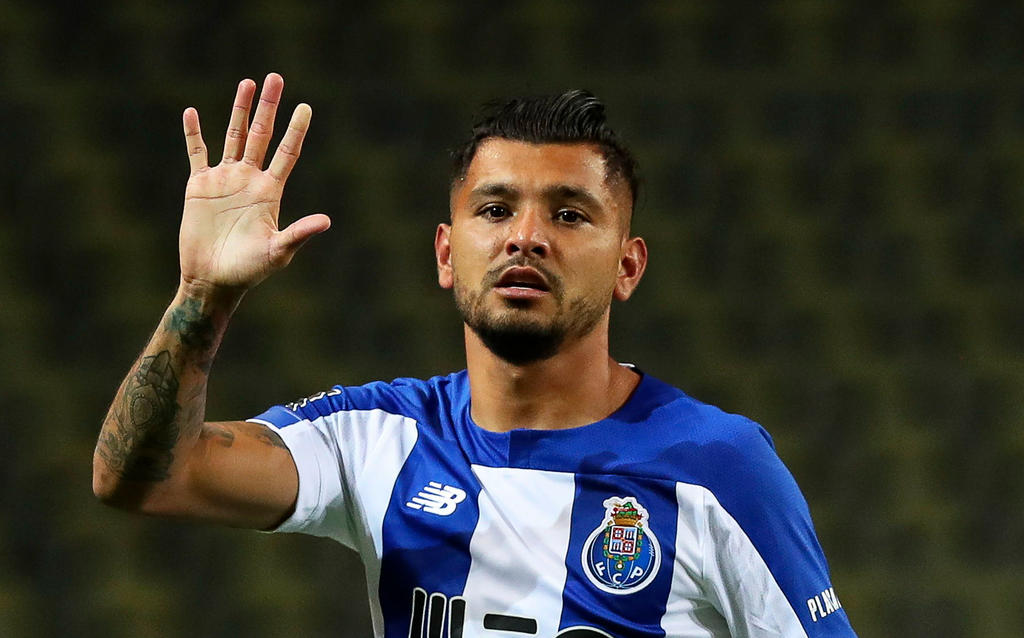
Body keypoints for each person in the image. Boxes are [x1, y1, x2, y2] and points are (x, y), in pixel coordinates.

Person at [93, 73, 857, 638]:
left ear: (628, 266)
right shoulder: (377, 437)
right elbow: (144, 478)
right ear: (446, 252)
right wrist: (202, 296)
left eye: (569, 214)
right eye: (495, 209)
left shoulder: (719, 469)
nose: (526, 237)